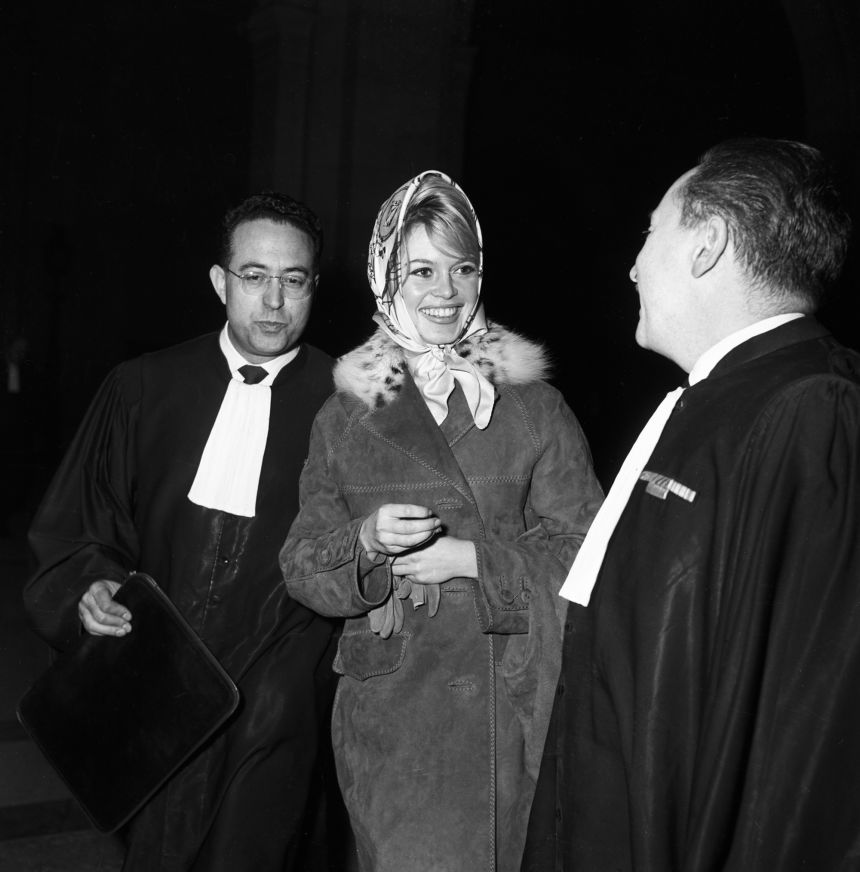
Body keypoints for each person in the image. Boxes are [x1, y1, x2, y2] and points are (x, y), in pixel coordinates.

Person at [529, 138, 860, 872]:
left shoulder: (813, 410)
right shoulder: (723, 397)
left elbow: (804, 747)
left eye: (652, 232)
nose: (634, 263)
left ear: (707, 244)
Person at [278, 170, 602, 872]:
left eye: (463, 268)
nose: (446, 292)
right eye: (421, 270)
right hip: (393, 724)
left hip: (509, 713)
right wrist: (364, 544)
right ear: (384, 273)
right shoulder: (346, 415)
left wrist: (476, 560)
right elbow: (301, 564)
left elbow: (588, 551)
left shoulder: (535, 407)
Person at [24, 192, 342, 871]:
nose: (275, 302)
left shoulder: (352, 406)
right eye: (254, 277)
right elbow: (79, 527)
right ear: (220, 282)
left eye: (294, 280)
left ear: (314, 286)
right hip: (156, 683)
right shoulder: (142, 387)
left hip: (277, 698)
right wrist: (90, 586)